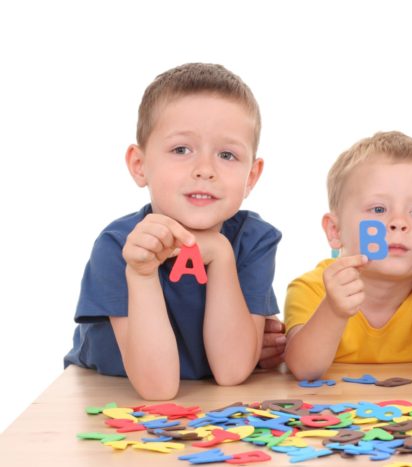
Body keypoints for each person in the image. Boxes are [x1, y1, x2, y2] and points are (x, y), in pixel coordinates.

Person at [64, 63, 281, 399]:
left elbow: (231, 371)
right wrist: (140, 274)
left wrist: (221, 254)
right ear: (140, 166)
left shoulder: (256, 240)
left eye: (227, 154)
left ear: (251, 177)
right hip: (108, 395)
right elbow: (158, 389)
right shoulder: (118, 245)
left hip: (208, 400)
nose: (205, 170)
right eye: (181, 150)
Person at [283, 131, 412, 380]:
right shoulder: (311, 289)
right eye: (378, 209)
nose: (398, 223)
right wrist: (334, 309)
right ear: (335, 230)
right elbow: (303, 368)